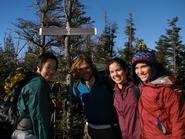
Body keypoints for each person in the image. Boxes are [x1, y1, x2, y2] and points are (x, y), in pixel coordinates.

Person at [131, 45, 185, 138]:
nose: (139, 72)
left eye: (143, 66)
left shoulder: (167, 89)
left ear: (153, 67)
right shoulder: (143, 86)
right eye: (136, 68)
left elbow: (180, 122)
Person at [70, 54, 121, 139]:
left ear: (92, 67)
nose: (84, 71)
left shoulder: (106, 81)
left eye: (87, 67)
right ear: (77, 71)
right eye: (80, 69)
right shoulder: (77, 87)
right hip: (90, 130)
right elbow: (75, 107)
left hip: (111, 129)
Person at [11, 52, 58, 139]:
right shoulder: (38, 84)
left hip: (20, 132)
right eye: (48, 67)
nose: (52, 71)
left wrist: (49, 104)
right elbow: (40, 119)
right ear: (38, 67)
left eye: (54, 68)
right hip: (29, 134)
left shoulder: (31, 80)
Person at [108, 57, 141, 139]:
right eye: (112, 72)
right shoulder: (114, 93)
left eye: (118, 70)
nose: (115, 74)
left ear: (126, 71)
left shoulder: (138, 89)